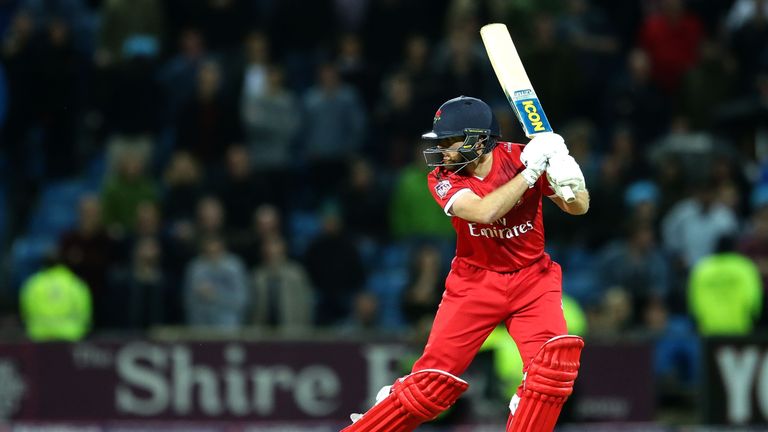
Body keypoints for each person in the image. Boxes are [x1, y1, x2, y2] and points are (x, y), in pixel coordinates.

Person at [342, 96, 590, 432]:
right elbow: (485, 211)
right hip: (475, 282)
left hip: (533, 277)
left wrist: (567, 175)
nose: (441, 152)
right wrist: (532, 173)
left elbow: (579, 208)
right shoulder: (444, 178)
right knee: (432, 387)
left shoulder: (522, 156)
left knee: (553, 370)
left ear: (479, 139)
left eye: (449, 142)